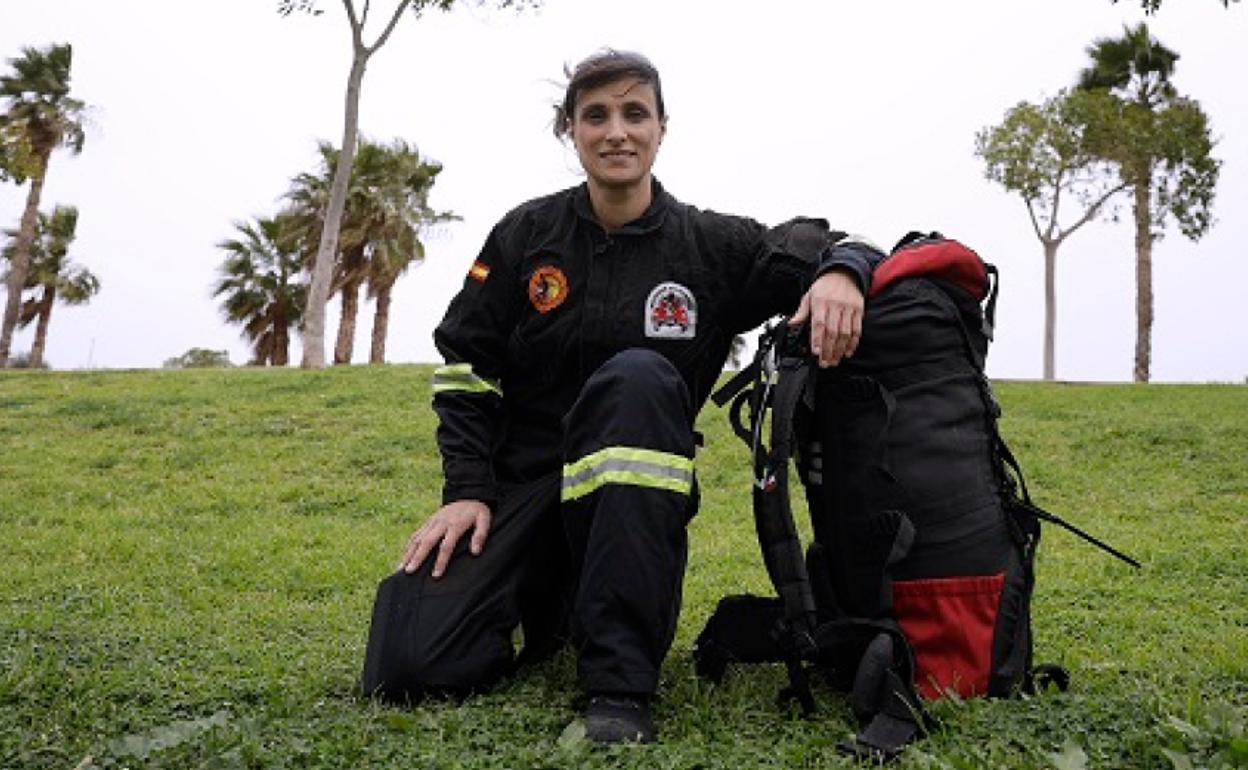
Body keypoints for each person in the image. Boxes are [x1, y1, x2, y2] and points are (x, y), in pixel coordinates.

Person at [360, 48, 883, 744]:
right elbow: (467, 366)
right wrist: (467, 489)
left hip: (632, 497)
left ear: (662, 128)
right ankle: (551, 606)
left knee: (637, 379)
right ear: (570, 131)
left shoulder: (709, 245)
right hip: (526, 489)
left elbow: (828, 245)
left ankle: (618, 687)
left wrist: (843, 270)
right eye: (596, 115)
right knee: (408, 663)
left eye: (635, 114)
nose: (617, 132)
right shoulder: (524, 236)